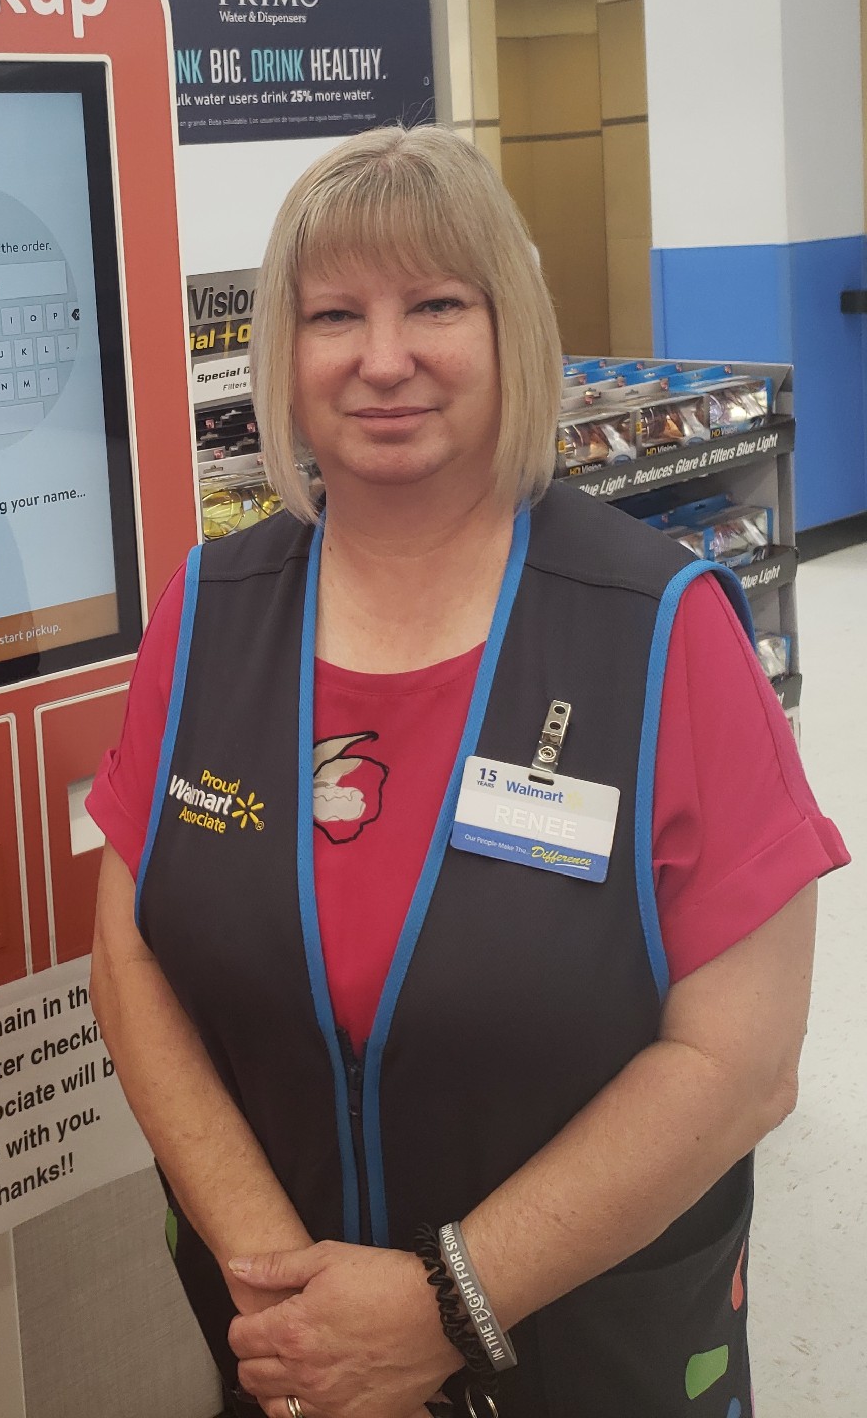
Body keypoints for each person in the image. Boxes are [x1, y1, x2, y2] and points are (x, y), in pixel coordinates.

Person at [87, 124, 847, 1418]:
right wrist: (290, 1305)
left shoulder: (659, 629)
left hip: (586, 1355)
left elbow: (741, 1059)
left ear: (511, 333)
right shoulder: (210, 612)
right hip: (290, 1368)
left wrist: (448, 1305)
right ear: (284, 353)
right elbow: (130, 961)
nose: (384, 358)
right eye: (335, 314)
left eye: (437, 304)